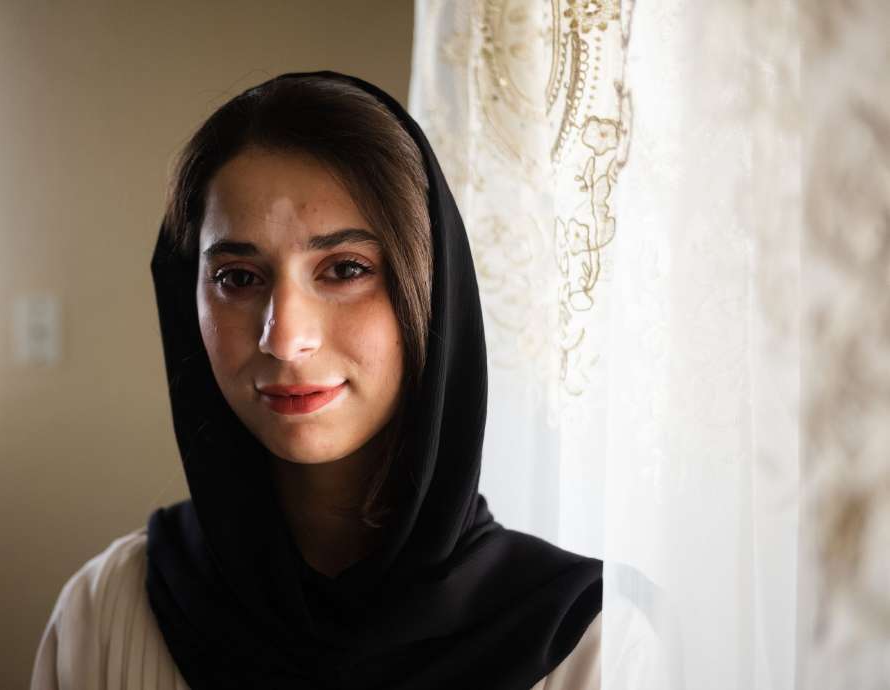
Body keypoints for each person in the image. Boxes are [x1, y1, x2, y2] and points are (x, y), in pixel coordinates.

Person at [30, 70, 603, 690]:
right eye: (238, 278)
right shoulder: (105, 614)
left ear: (432, 291)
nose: (283, 338)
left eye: (345, 269)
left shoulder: (587, 645)